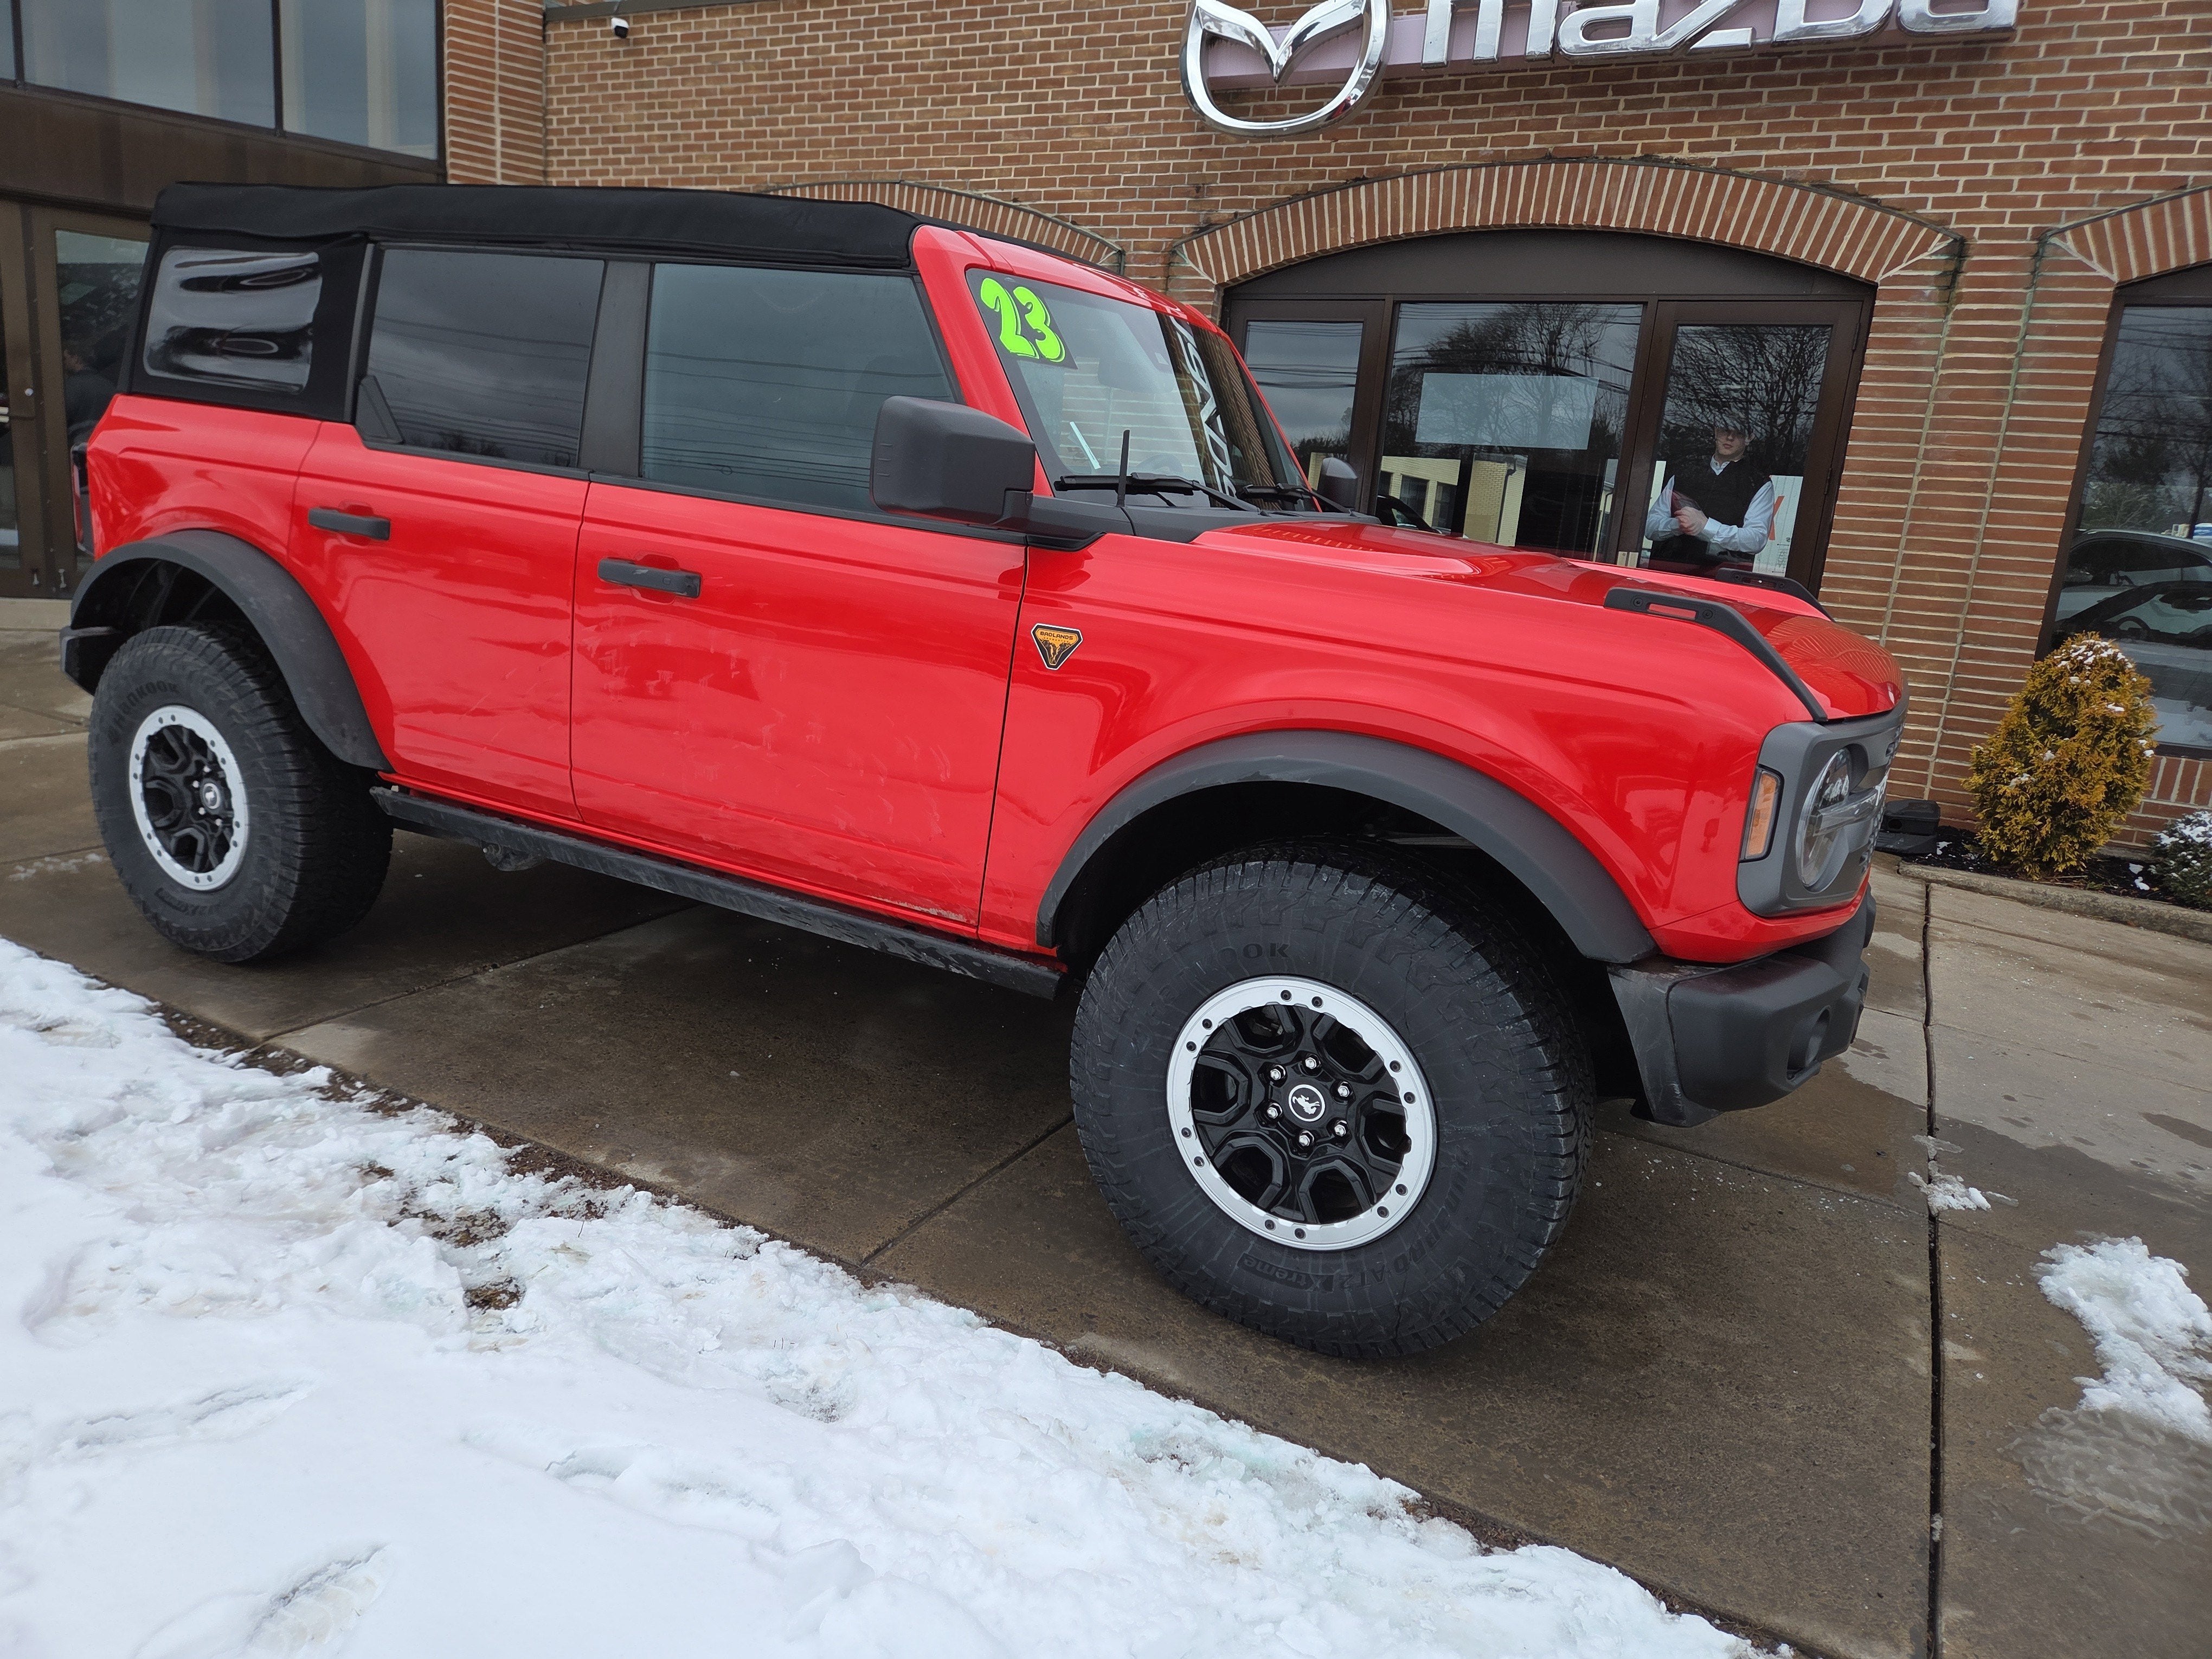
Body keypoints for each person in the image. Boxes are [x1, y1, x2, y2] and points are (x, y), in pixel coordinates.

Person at [1644, 418, 1774, 570]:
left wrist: (1707, 526)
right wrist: (1679, 524)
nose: (1730, 437)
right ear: (1716, 432)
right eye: (1725, 430)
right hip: (1669, 571)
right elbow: (1650, 527)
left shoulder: (1758, 483)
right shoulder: (1684, 472)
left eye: (1738, 433)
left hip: (1721, 578)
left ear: (1749, 438)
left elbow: (1756, 540)